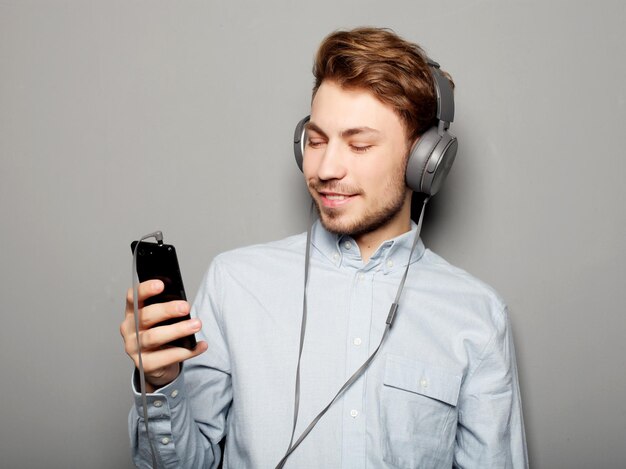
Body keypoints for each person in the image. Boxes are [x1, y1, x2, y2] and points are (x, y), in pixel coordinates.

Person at [121, 27, 528, 468]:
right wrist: (159, 382)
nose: (326, 167)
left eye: (359, 144)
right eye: (316, 141)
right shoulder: (234, 283)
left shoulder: (478, 316)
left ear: (423, 160)